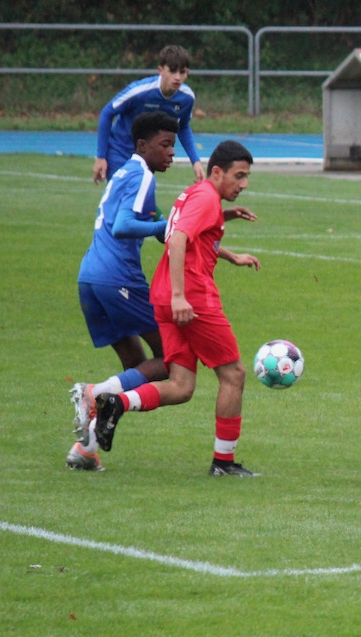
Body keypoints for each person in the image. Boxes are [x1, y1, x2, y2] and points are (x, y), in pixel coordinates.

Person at [92, 140, 261, 476]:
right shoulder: (206, 199)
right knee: (234, 374)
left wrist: (230, 254)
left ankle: (117, 403)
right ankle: (224, 463)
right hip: (192, 299)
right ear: (217, 172)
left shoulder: (197, 194)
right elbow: (179, 237)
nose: (243, 184)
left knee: (181, 386)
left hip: (164, 297)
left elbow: (186, 232)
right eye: (239, 176)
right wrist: (181, 296)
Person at [67, 110, 180, 472]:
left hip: (90, 278)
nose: (172, 153)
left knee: (135, 371)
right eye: (165, 145)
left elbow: (158, 222)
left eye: (174, 146)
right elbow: (123, 226)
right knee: (170, 358)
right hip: (119, 279)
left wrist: (169, 224)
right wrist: (165, 226)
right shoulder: (142, 176)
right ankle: (94, 393)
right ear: (142, 145)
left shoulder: (126, 172)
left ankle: (86, 448)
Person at [93, 44, 205, 185]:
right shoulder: (139, 91)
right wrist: (101, 157)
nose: (177, 77)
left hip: (147, 158)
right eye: (172, 71)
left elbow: (182, 127)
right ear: (160, 70)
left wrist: (195, 161)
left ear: (187, 73)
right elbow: (107, 112)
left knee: (142, 196)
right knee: (128, 195)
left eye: (182, 72)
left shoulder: (186, 98)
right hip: (120, 152)